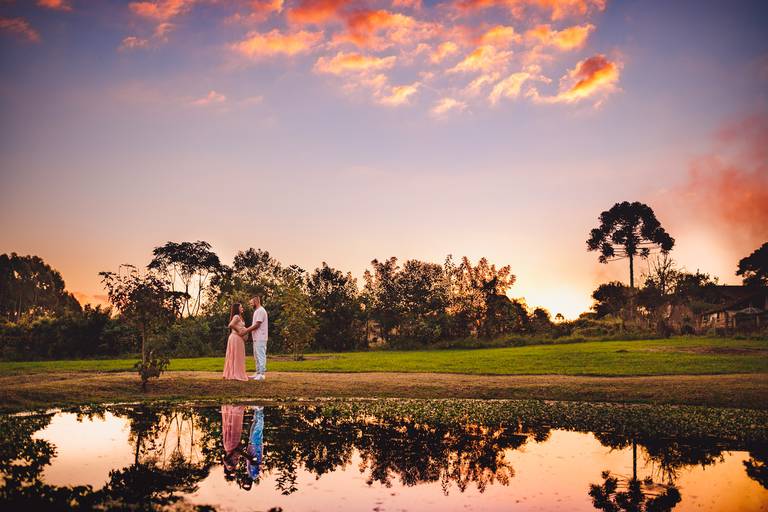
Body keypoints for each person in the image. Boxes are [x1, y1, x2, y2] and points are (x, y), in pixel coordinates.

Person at [244, 296, 268, 381]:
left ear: (256, 302)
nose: (250, 305)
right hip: (256, 337)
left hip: (261, 337)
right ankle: (257, 373)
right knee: (256, 356)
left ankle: (261, 374)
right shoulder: (257, 311)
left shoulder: (261, 310)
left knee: (261, 355)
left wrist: (246, 330)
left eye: (251, 303)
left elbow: (257, 324)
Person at [223, 303, 248, 381]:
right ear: (237, 308)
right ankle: (235, 373)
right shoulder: (236, 316)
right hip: (235, 338)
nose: (242, 308)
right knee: (236, 355)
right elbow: (230, 325)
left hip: (238, 338)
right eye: (241, 307)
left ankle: (237, 372)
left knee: (238, 355)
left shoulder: (240, 317)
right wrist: (239, 331)